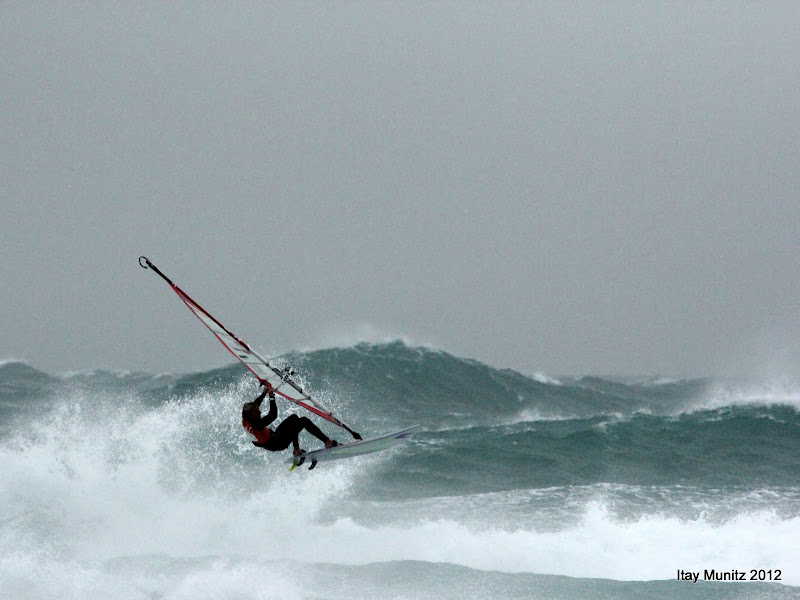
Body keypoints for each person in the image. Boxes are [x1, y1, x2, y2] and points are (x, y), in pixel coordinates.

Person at [242, 382, 338, 456]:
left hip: (274, 437)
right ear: (251, 415)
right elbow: (273, 415)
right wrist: (271, 396)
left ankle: (296, 449)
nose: (260, 412)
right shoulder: (257, 425)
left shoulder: (246, 418)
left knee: (294, 418)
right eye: (257, 412)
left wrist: (264, 393)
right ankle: (327, 442)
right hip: (277, 443)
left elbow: (255, 404)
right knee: (303, 421)